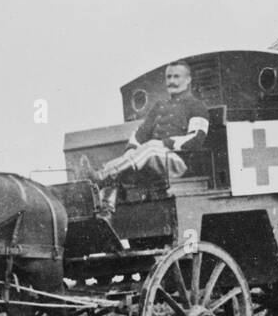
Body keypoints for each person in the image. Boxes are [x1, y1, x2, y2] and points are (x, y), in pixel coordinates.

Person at [87, 61, 208, 211]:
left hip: (180, 162)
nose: (171, 81)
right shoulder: (159, 106)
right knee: (139, 152)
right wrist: (131, 149)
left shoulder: (197, 106)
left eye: (176, 77)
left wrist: (164, 144)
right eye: (168, 77)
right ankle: (105, 201)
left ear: (188, 80)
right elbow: (140, 134)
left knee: (150, 147)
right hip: (155, 161)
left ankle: (102, 176)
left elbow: (196, 138)